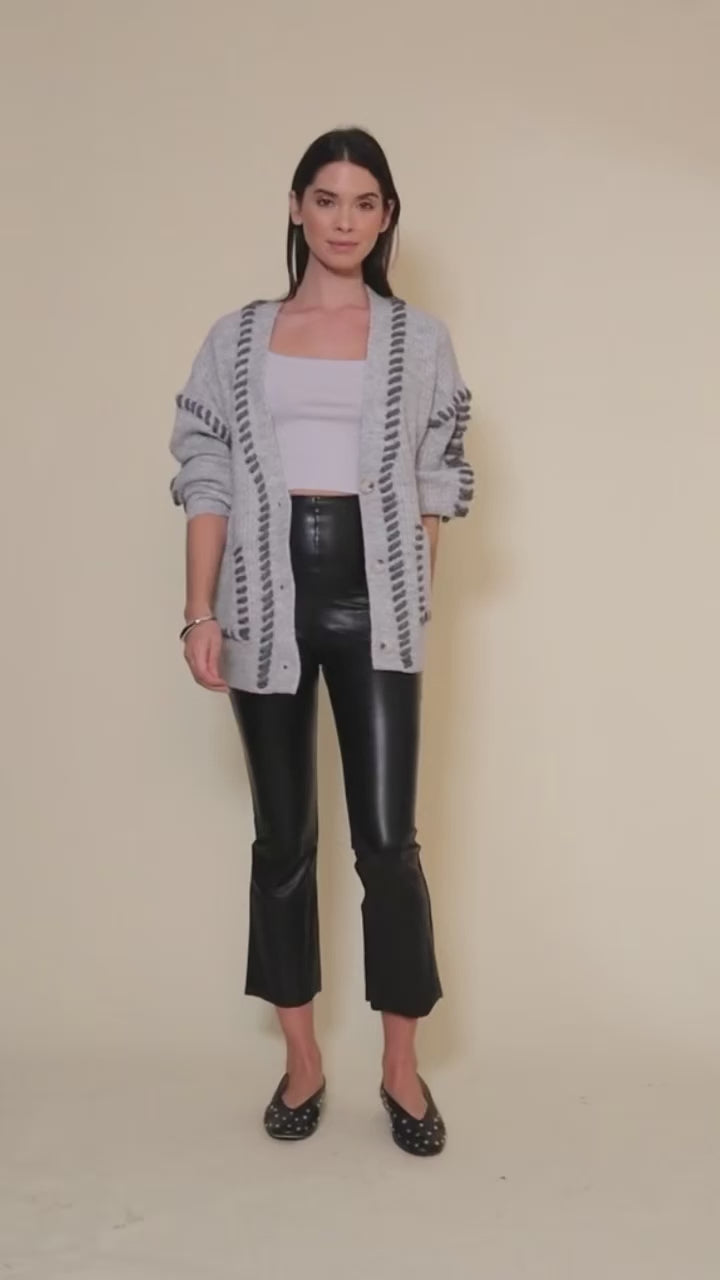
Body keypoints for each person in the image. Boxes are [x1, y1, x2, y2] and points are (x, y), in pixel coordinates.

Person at [168, 127, 475, 1156]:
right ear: (297, 207)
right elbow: (207, 473)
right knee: (283, 838)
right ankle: (301, 1058)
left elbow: (437, 475)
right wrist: (200, 610)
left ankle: (400, 1065)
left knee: (387, 843)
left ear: (387, 218)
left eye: (366, 202)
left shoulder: (418, 339)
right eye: (328, 199)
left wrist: (414, 593)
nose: (346, 220)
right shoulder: (238, 336)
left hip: (375, 598)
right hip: (262, 596)